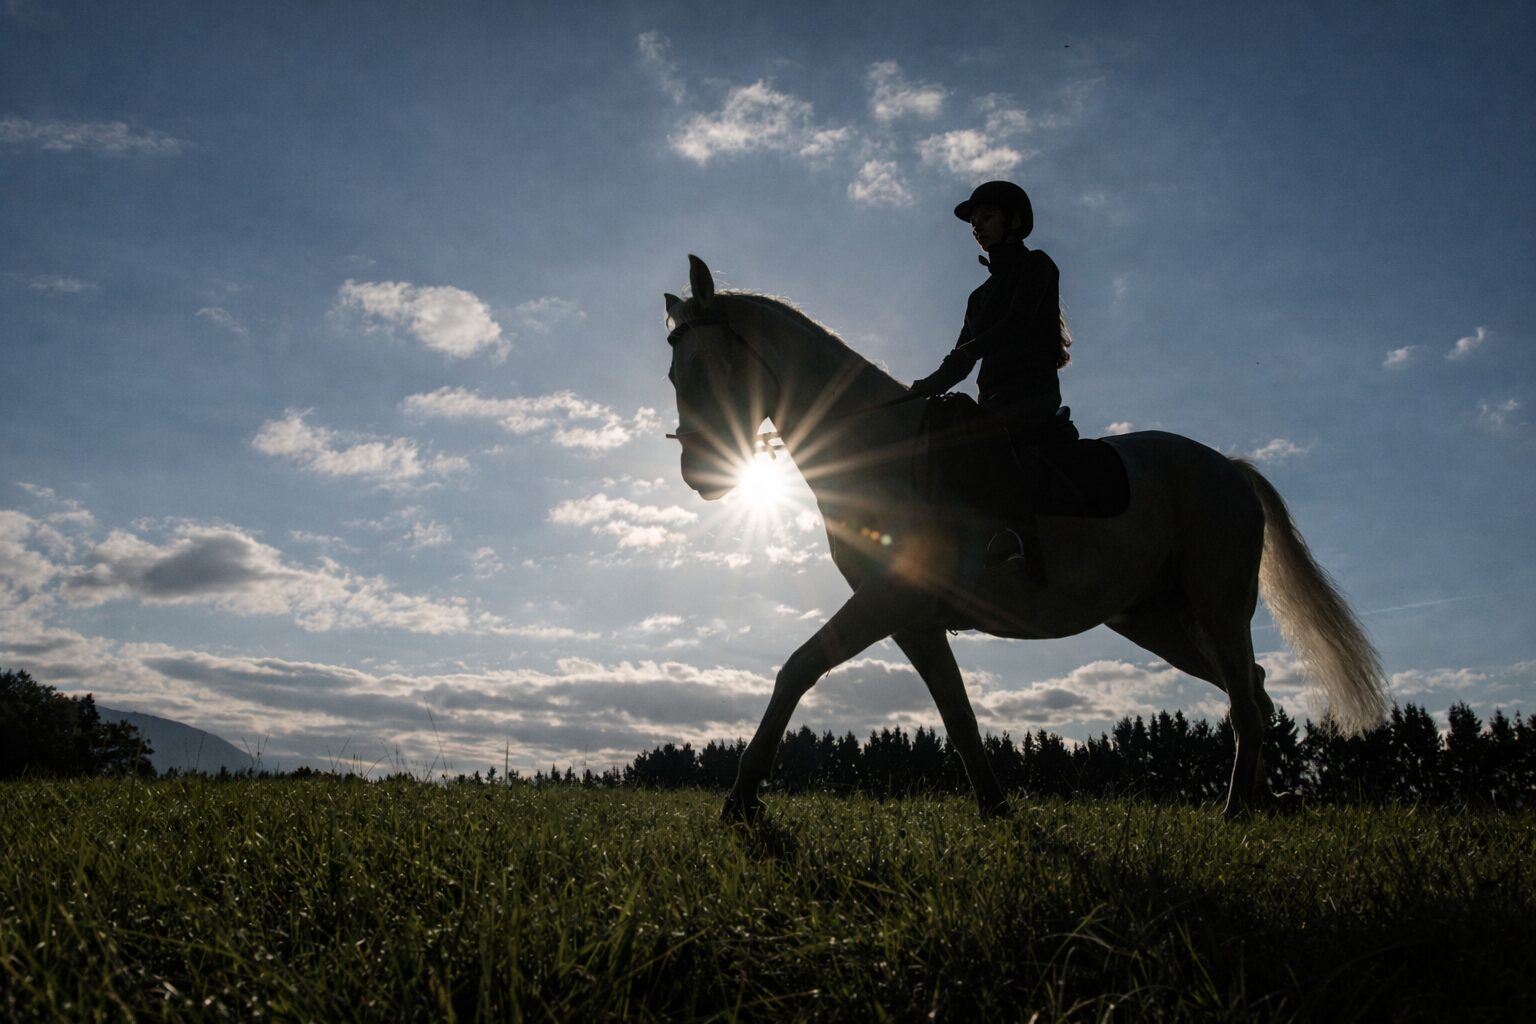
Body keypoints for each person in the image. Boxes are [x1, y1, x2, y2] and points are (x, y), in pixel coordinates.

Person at [909, 180, 1074, 587]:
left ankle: (1016, 537)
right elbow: (961, 360)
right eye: (973, 222)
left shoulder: (1037, 266)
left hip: (1031, 394)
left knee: (982, 435)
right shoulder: (978, 296)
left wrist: (959, 359)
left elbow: (1014, 327)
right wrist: (918, 391)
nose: (977, 227)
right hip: (993, 397)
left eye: (986, 217)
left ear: (1014, 221)